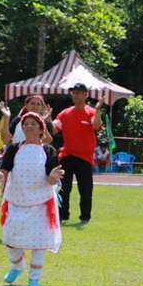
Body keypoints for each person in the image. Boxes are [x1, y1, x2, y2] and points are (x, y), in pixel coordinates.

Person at [0, 112, 64, 286]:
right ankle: (17, 266)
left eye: (34, 123)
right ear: (22, 128)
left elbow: (51, 180)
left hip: (41, 203)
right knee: (10, 238)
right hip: (16, 200)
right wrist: (0, 177)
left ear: (41, 129)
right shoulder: (14, 148)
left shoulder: (49, 151)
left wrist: (54, 178)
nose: (29, 126)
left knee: (38, 242)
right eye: (26, 124)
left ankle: (34, 278)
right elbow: (4, 170)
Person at [52, 82, 104, 225]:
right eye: (73, 92)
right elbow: (53, 129)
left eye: (78, 92)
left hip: (85, 157)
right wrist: (45, 118)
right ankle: (62, 216)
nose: (75, 94)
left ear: (85, 95)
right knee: (63, 189)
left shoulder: (91, 112)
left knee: (85, 190)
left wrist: (98, 109)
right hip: (66, 156)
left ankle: (85, 217)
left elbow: (97, 126)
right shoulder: (65, 113)